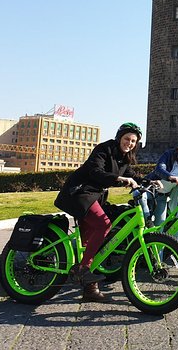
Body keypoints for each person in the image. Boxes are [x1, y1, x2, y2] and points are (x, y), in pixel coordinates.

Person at [54, 122, 143, 302]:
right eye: (127, 138)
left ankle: (89, 289)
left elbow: (134, 175)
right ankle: (82, 269)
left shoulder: (123, 158)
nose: (130, 143)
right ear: (119, 137)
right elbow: (95, 171)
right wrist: (119, 178)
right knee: (103, 224)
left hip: (93, 196)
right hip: (79, 193)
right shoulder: (104, 149)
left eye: (134, 141)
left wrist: (153, 181)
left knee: (90, 241)